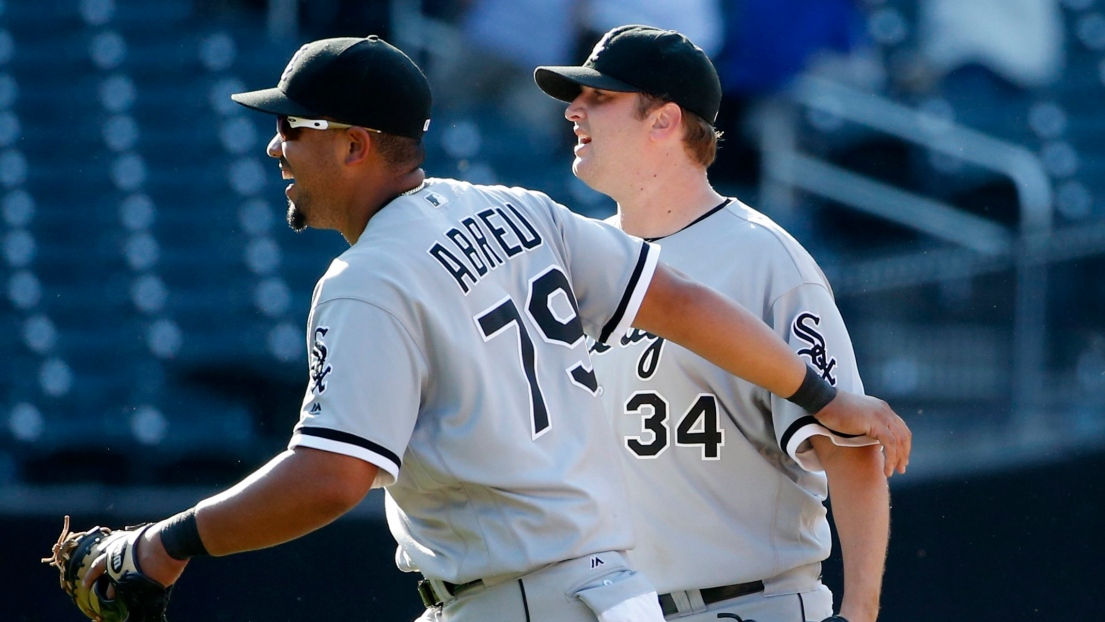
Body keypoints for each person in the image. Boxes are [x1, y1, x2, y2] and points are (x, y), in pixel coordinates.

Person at [79, 35, 909, 622]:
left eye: (292, 128)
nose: (274, 148)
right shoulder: (521, 213)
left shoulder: (370, 278)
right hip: (616, 595)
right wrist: (822, 394)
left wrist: (165, 545)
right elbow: (678, 302)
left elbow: (331, 477)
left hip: (540, 599)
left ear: (355, 146)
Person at [534, 25, 895, 622]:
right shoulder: (581, 259)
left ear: (664, 120)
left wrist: (859, 615)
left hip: (748, 604)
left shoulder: (762, 258)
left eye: (600, 97)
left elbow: (851, 449)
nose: (575, 109)